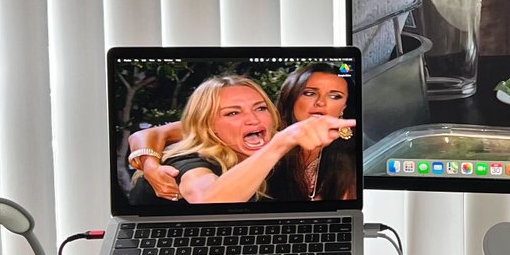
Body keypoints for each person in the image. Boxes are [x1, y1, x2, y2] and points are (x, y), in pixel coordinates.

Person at [127, 75, 352, 205]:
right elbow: (206, 198)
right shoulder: (188, 160)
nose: (253, 119)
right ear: (207, 125)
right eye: (233, 113)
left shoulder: (272, 139)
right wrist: (281, 143)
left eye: (260, 108)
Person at [266, 63, 359, 201]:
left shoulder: (356, 153)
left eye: (335, 96)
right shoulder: (265, 144)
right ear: (291, 97)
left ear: (343, 107)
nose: (320, 102)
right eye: (309, 93)